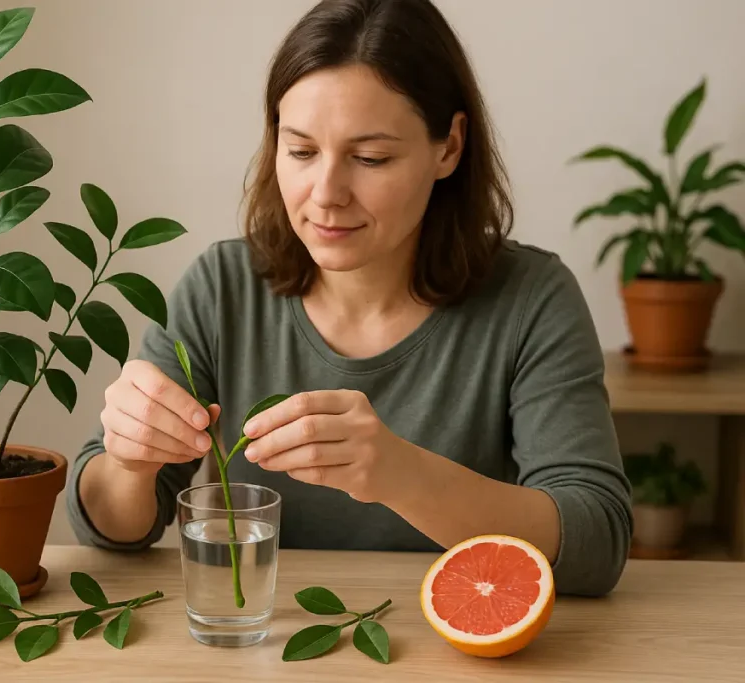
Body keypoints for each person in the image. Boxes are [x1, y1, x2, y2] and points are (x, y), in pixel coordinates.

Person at [65, 0, 632, 597]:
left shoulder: (531, 299)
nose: (326, 193)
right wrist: (131, 463)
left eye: (370, 158)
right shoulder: (222, 286)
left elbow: (596, 542)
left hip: (465, 644)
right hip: (274, 639)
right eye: (301, 151)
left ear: (450, 147)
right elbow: (111, 530)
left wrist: (400, 474)